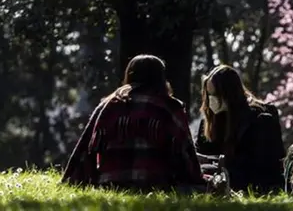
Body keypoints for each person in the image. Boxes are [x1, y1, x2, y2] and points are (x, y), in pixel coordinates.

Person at [61, 55, 210, 193]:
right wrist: (198, 180)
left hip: (111, 184)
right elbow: (186, 152)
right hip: (157, 185)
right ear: (161, 78)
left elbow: (84, 148)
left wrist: (71, 179)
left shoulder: (108, 104)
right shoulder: (170, 107)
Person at [195, 65, 285, 195]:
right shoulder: (211, 119)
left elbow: (264, 162)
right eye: (208, 95)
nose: (211, 100)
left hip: (250, 178)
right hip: (218, 173)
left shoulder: (260, 117)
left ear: (228, 93)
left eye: (215, 95)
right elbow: (203, 151)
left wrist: (222, 164)